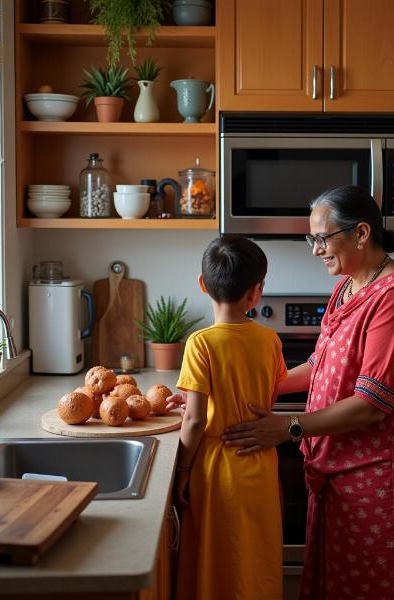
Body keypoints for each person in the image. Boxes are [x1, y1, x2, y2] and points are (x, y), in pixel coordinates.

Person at [222, 185, 394, 600]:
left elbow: (371, 405)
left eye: (322, 238)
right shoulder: (348, 287)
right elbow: (322, 364)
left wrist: (288, 427)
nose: (315, 249)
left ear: (361, 233)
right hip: (344, 473)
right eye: (310, 239)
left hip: (381, 484)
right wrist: (240, 387)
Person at [173, 235, 287, 600]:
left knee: (217, 557)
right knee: (255, 557)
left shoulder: (200, 342)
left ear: (202, 285)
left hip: (215, 468)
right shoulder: (270, 340)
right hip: (260, 464)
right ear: (257, 292)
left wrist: (183, 471)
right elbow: (265, 391)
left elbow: (193, 422)